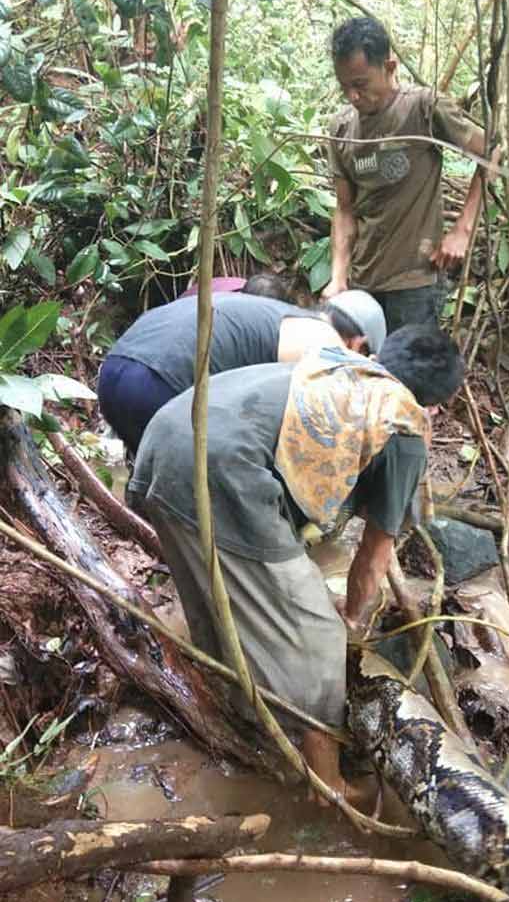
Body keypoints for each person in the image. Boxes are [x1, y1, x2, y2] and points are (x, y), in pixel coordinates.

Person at [128, 325, 464, 803]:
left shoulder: (342, 367)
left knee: (217, 596)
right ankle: (327, 782)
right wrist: (349, 620)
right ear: (436, 403)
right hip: (220, 465)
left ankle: (237, 713)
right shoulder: (402, 424)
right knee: (318, 636)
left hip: (166, 432)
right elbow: (373, 556)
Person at [322, 16, 500, 332]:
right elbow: (345, 210)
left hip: (415, 281)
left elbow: (493, 151)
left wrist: (463, 228)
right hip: (362, 283)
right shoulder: (341, 129)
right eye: (345, 86)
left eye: (360, 84)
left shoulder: (423, 108)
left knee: (408, 377)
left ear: (389, 68)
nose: (352, 96)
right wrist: (338, 276)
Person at [98, 274, 386, 455]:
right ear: (358, 345)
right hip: (159, 383)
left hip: (113, 370)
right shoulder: (325, 343)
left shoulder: (281, 315)